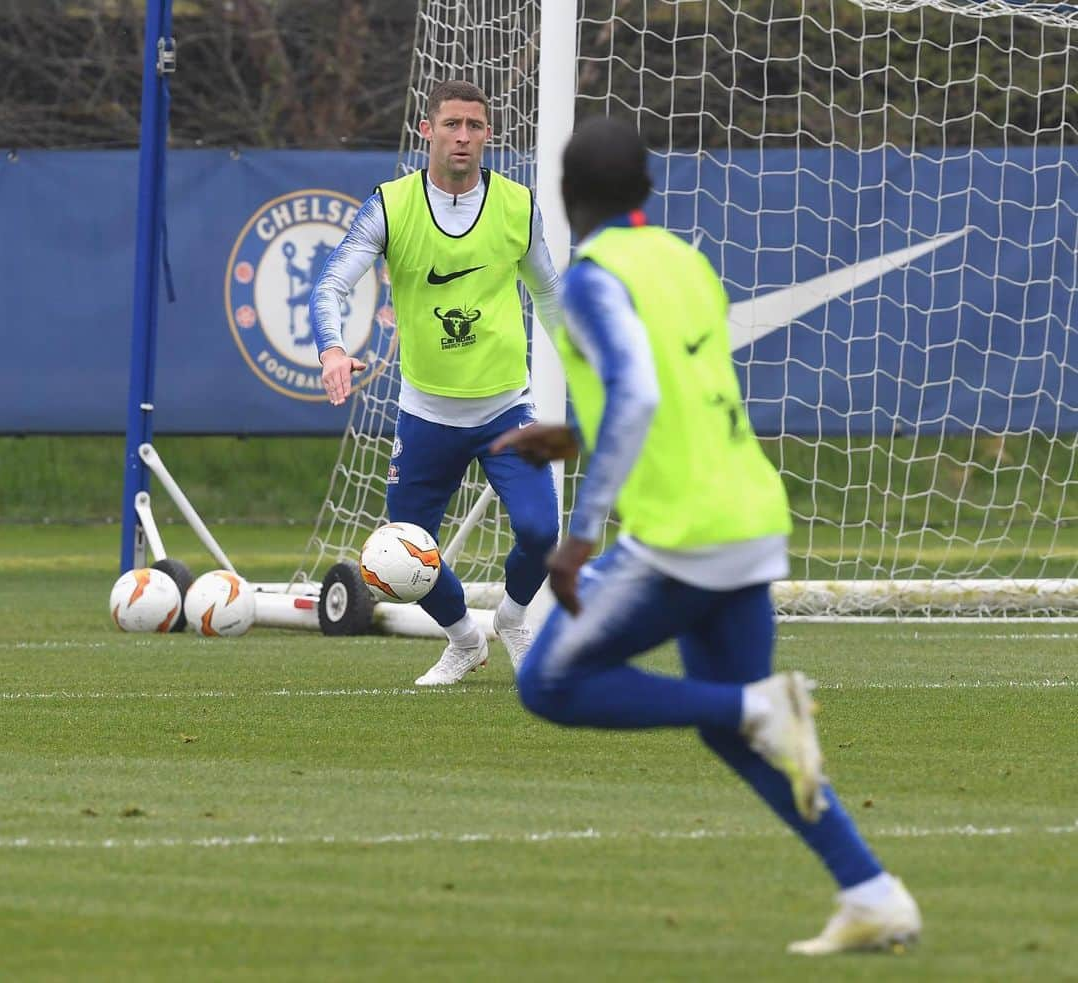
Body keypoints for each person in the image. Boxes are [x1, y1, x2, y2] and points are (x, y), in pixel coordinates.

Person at [491, 117, 922, 956]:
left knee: (549, 683)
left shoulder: (589, 278)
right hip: (748, 516)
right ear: (648, 194)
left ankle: (763, 703)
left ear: (564, 197)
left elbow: (642, 394)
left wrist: (579, 537)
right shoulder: (685, 260)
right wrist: (575, 437)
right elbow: (675, 392)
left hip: (681, 533)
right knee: (740, 731)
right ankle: (874, 892)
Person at [311, 80, 561, 685]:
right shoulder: (391, 205)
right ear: (428, 131)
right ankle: (464, 641)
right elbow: (330, 286)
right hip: (426, 415)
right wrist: (333, 351)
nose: (463, 137)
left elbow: (551, 294)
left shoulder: (516, 206)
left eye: (474, 127)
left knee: (541, 531)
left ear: (489, 135)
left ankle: (514, 620)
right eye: (451, 124)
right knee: (403, 559)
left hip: (506, 409)